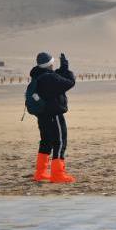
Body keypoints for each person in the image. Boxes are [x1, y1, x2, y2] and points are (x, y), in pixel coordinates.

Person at [29, 52, 76, 183]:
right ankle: (57, 174)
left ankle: (40, 173)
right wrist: (68, 71)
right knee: (60, 142)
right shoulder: (49, 78)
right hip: (53, 115)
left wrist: (63, 68)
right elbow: (69, 82)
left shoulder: (38, 74)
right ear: (49, 64)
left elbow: (56, 77)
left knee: (46, 142)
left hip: (42, 115)